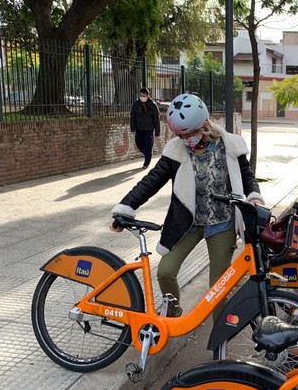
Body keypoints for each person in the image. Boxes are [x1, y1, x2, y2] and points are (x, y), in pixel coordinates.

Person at [111, 93, 264, 318]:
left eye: (190, 134)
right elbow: (151, 181)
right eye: (180, 135)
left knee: (218, 288)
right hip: (188, 223)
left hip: (223, 223)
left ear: (203, 125)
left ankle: (218, 344)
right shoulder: (176, 150)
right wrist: (125, 207)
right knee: (165, 272)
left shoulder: (229, 146)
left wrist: (255, 197)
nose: (187, 140)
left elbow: (246, 176)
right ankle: (173, 315)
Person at [129, 87, 161, 169]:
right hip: (139, 128)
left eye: (143, 95)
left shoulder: (153, 105)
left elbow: (156, 119)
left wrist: (157, 132)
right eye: (140, 95)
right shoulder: (136, 104)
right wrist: (132, 128)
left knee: (147, 145)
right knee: (138, 143)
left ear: (147, 95)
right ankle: (148, 154)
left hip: (149, 129)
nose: (142, 97)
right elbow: (132, 116)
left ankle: (146, 162)